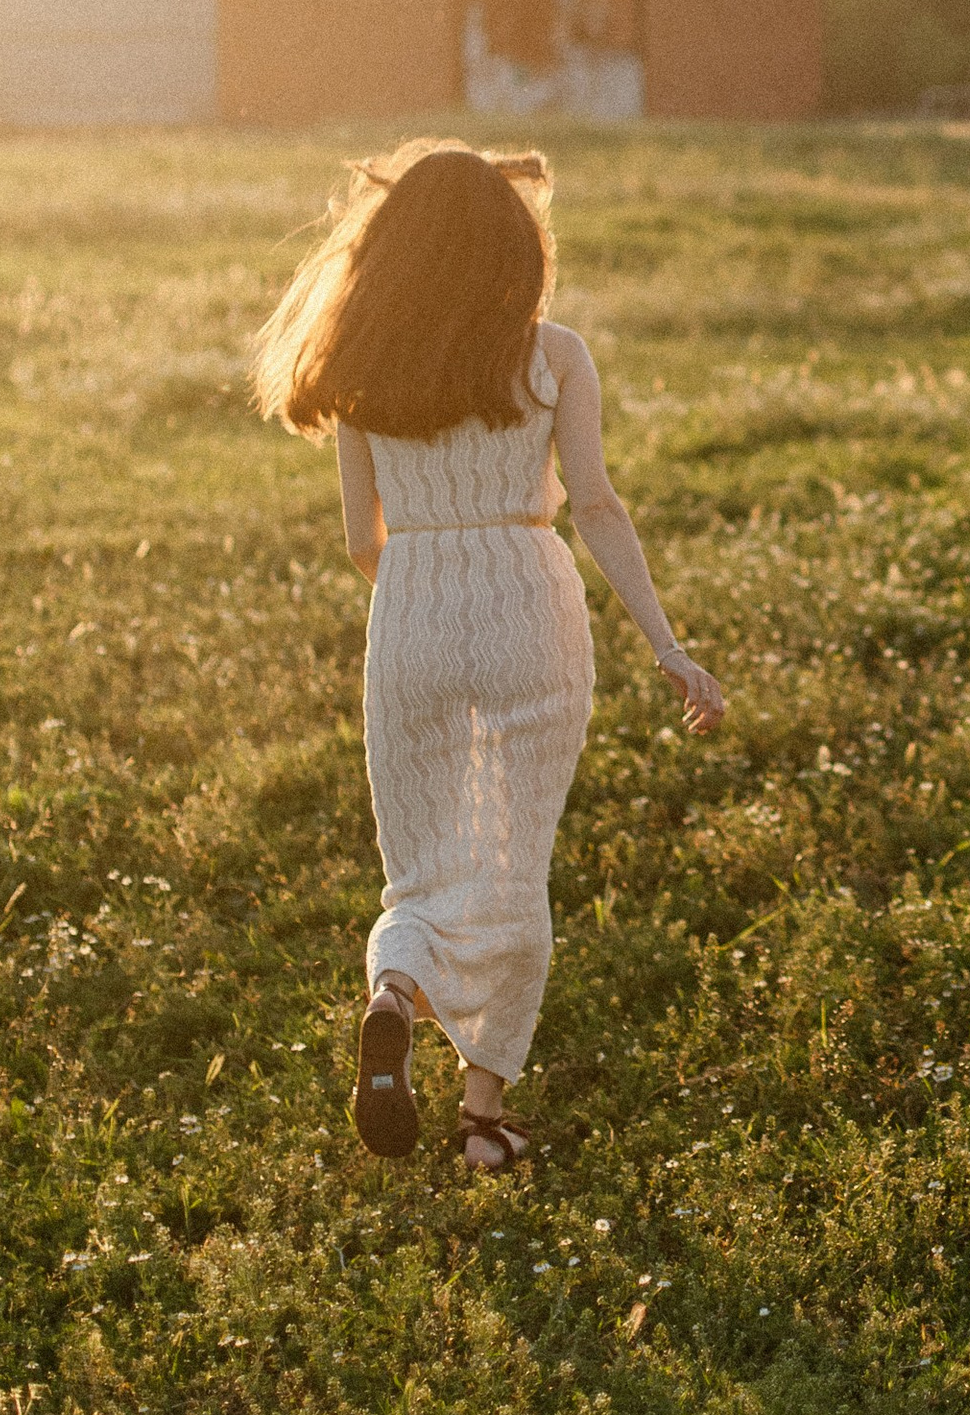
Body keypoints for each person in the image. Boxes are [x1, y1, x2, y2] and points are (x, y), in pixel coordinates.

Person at [251, 141, 724, 1174]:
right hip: (528, 606)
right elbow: (595, 504)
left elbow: (358, 542)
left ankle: (393, 996)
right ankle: (482, 1120)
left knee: (421, 871)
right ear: (514, 245)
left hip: (412, 612)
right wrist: (668, 647)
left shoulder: (359, 367)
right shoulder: (554, 354)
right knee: (508, 869)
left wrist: (429, 605)